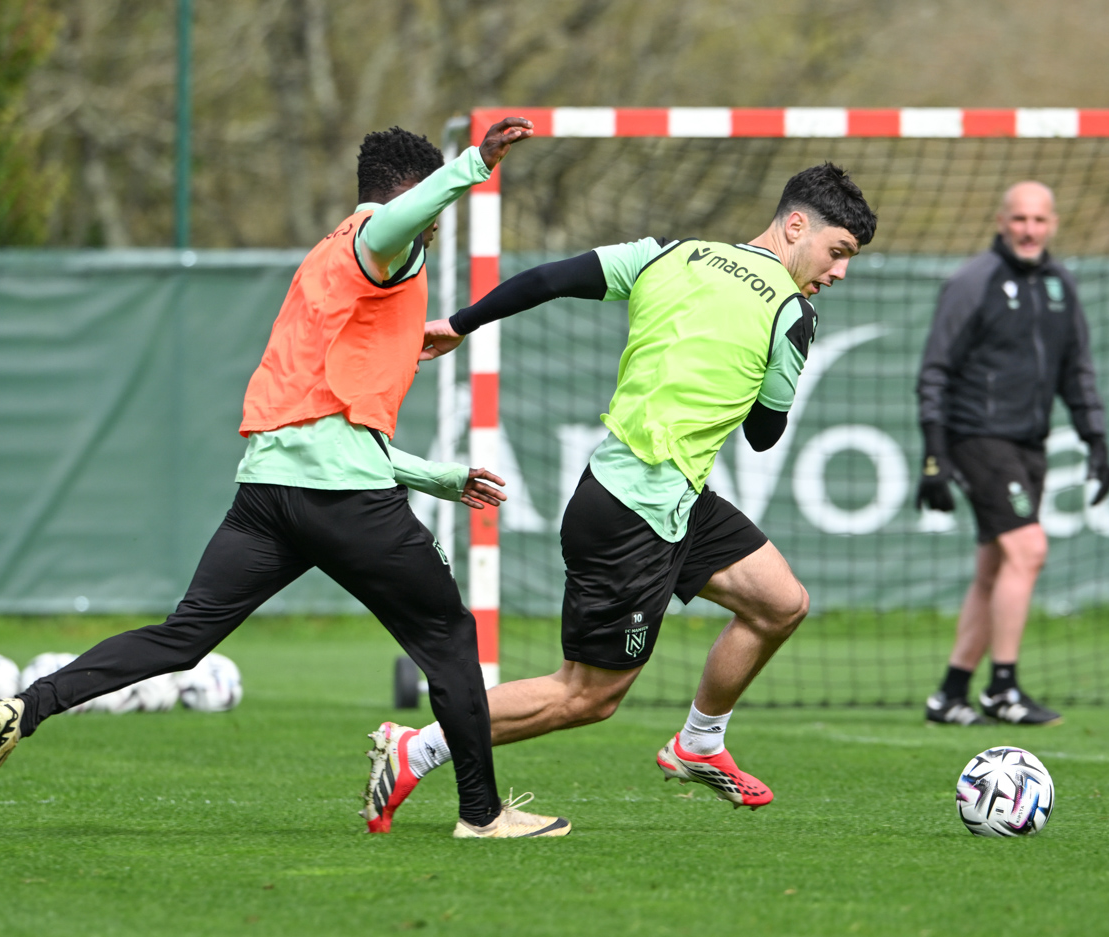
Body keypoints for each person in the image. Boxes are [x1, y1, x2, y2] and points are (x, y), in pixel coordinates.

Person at [0, 119, 571, 839]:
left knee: (183, 636)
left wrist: (434, 476)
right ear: (410, 192)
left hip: (269, 493)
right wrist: (473, 166)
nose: (433, 227)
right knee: (450, 637)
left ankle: (24, 707)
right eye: (427, 205)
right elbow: (398, 224)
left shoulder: (324, 258)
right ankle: (482, 814)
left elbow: (323, 421)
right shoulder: (381, 239)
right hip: (344, 498)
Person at [358, 163, 877, 832]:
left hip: (666, 494)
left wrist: (461, 322)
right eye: (838, 251)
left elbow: (551, 279)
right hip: (635, 514)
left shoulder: (671, 252)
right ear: (796, 225)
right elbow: (763, 435)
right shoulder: (791, 313)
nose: (839, 271)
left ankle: (699, 742)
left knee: (781, 603)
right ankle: (417, 748)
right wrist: (776, 360)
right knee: (587, 696)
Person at [916, 181, 1109, 727]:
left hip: (1030, 443)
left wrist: (1095, 438)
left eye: (1039, 219)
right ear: (1001, 221)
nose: (1029, 229)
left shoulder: (1060, 284)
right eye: (1020, 218)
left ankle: (950, 695)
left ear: (1053, 224)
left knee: (996, 567)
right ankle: (1003, 688)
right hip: (976, 436)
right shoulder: (971, 282)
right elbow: (935, 370)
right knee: (1028, 549)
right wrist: (934, 454)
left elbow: (1077, 370)